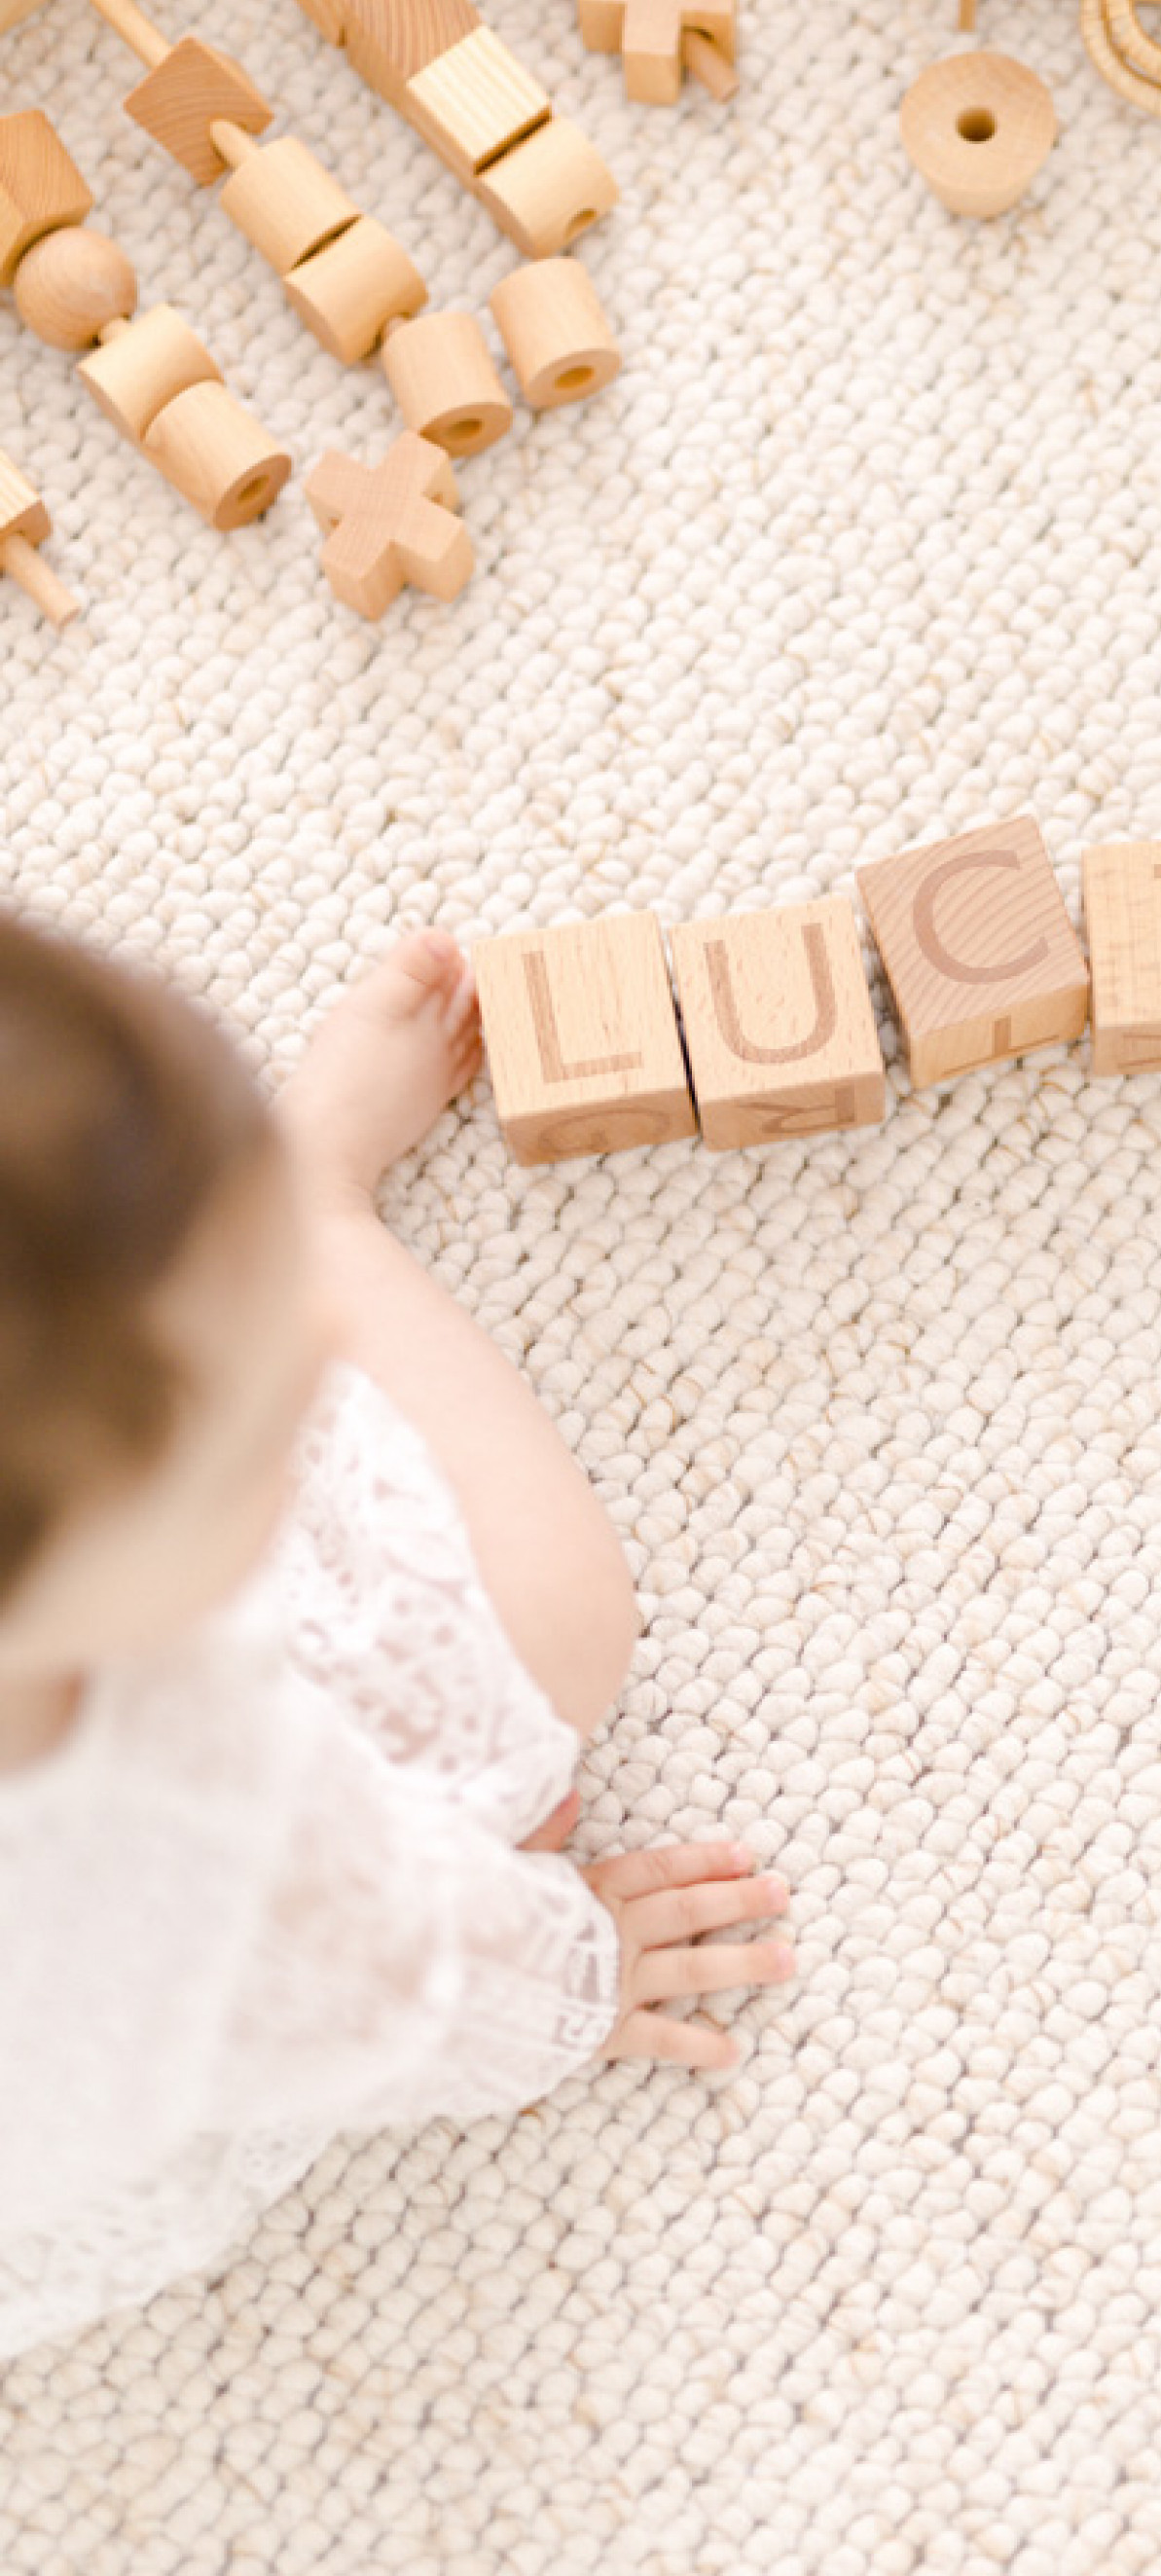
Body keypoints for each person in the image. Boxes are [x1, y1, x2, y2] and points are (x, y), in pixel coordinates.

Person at [0, 912, 793, 2359]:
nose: (315, 1364)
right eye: (244, 1424)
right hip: (122, 2033)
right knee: (556, 1617)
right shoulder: (194, 1843)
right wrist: (572, 1974)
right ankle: (318, 1204)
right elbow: (397, 1987)